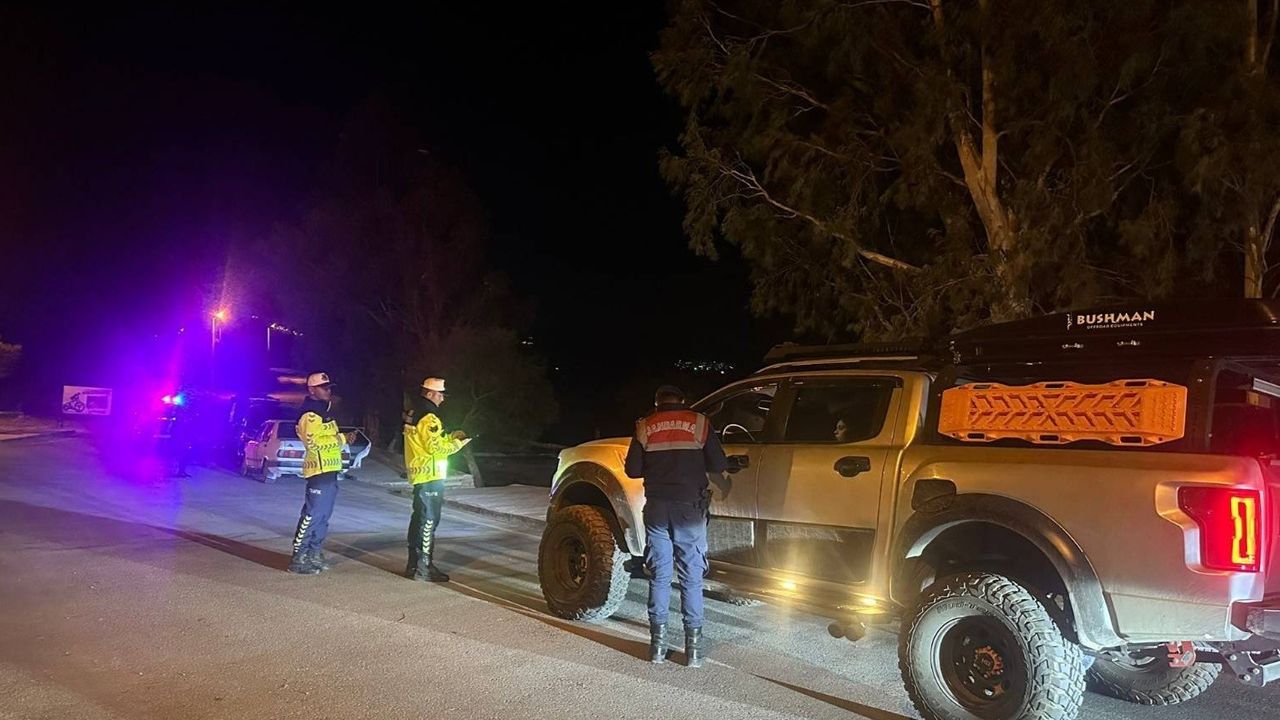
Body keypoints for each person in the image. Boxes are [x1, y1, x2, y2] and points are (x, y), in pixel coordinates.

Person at [624, 384, 728, 668]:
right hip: (689, 510)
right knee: (691, 576)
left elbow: (632, 470)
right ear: (683, 400)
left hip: (657, 508)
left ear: (656, 402)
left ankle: (657, 648)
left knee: (659, 575)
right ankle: (693, 652)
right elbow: (718, 463)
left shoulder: (644, 426)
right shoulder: (699, 423)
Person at [403, 377, 470, 582]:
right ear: (430, 394)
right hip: (430, 476)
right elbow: (435, 449)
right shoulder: (429, 417)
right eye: (440, 394)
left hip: (421, 474)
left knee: (419, 519)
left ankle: (414, 565)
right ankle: (423, 567)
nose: (442, 398)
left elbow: (426, 442)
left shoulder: (414, 412)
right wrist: (458, 444)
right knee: (428, 522)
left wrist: (450, 437)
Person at [289, 372, 348, 575]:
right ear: (312, 390)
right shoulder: (311, 414)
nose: (328, 391)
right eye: (324, 388)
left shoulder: (324, 411)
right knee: (312, 514)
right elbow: (313, 443)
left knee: (323, 516)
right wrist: (342, 439)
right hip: (318, 471)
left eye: (329, 387)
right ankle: (299, 557)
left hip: (330, 470)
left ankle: (314, 553)